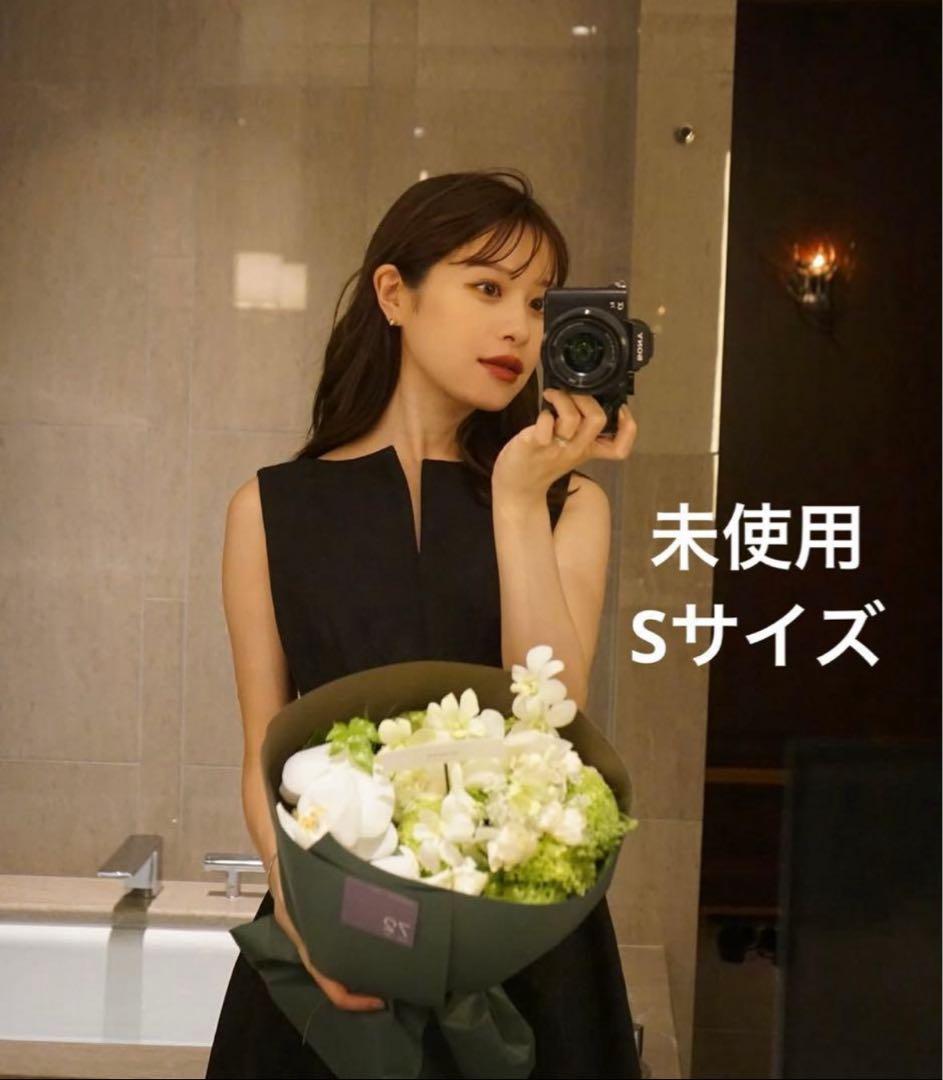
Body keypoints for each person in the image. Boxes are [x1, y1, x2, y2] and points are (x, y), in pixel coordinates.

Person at [206, 168, 641, 1079]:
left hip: (527, 946)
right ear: (394, 294)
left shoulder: (566, 503)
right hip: (337, 935)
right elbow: (261, 757)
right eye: (487, 288)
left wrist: (517, 501)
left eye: (537, 302)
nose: (518, 327)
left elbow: (551, 721)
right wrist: (303, 918)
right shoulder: (269, 510)